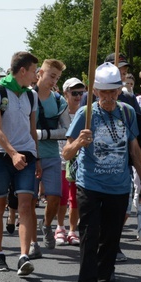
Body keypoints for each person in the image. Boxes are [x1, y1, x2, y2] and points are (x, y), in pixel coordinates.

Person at [62, 62, 141, 282]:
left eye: (113, 92)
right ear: (96, 92)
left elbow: (135, 150)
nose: (109, 98)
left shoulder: (126, 112)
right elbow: (67, 152)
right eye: (104, 93)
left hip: (119, 186)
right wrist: (79, 141)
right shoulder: (85, 114)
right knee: (90, 237)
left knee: (110, 240)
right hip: (90, 184)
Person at [0, 51, 41, 277]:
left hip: (26, 155)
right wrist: (12, 153)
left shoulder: (31, 95)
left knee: (26, 205)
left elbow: (32, 130)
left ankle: (23, 256)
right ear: (23, 71)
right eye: (34, 72)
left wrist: (36, 158)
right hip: (1, 156)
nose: (36, 76)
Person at [34, 59, 70, 255]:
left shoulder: (59, 100)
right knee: (29, 200)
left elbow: (65, 130)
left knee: (55, 198)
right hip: (30, 155)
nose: (53, 81)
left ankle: (47, 225)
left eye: (57, 78)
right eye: (51, 76)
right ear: (40, 73)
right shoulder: (27, 96)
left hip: (51, 154)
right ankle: (32, 242)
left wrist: (42, 134)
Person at [58, 77, 84, 245]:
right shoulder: (59, 114)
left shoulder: (86, 113)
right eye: (74, 93)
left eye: (81, 93)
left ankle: (73, 230)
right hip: (60, 158)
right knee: (61, 196)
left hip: (79, 161)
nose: (78, 96)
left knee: (75, 198)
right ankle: (60, 227)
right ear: (65, 93)